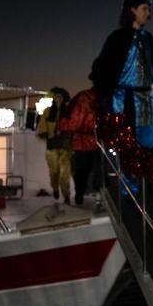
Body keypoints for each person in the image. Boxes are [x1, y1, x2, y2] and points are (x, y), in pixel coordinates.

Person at [94, 0, 153, 150]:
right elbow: (99, 69)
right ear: (132, 10)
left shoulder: (148, 39)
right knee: (127, 153)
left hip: (148, 104)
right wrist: (107, 101)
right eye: (144, 9)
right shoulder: (117, 38)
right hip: (124, 103)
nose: (148, 13)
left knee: (151, 150)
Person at [59, 73, 102, 206]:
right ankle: (95, 195)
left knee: (83, 171)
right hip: (93, 142)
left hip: (88, 142)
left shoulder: (82, 97)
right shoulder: (104, 98)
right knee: (95, 170)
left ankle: (81, 194)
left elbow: (70, 121)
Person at [36, 87, 72, 204]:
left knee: (64, 173)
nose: (58, 99)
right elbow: (41, 127)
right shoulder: (47, 111)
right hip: (52, 146)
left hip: (65, 146)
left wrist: (66, 134)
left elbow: (72, 126)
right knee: (54, 171)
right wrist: (48, 134)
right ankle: (55, 189)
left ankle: (66, 195)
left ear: (64, 98)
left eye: (60, 97)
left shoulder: (68, 112)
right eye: (56, 97)